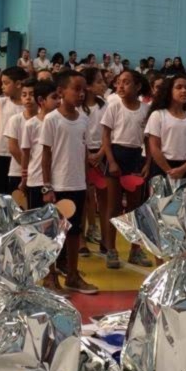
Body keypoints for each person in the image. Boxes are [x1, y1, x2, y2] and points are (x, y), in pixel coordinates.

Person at [40, 70, 97, 295]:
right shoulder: (52, 119)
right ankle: (50, 276)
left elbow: (84, 152)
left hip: (78, 185)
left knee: (74, 232)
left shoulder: (84, 119)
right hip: (58, 185)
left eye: (84, 89)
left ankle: (72, 275)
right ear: (61, 91)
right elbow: (46, 155)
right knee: (55, 233)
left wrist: (87, 182)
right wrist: (47, 186)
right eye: (76, 89)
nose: (81, 94)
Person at [100, 69, 151, 269]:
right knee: (113, 207)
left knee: (134, 207)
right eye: (119, 82)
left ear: (138, 86)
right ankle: (111, 249)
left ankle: (135, 250)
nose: (120, 86)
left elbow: (148, 139)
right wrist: (111, 161)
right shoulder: (113, 106)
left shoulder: (146, 110)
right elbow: (106, 136)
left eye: (126, 82)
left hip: (136, 157)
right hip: (116, 155)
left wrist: (147, 163)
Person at [80, 67, 107, 256]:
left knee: (104, 200)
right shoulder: (78, 107)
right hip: (82, 154)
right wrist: (87, 154)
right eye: (99, 81)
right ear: (88, 86)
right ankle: (81, 239)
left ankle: (105, 239)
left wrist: (101, 153)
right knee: (84, 199)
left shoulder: (105, 106)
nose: (103, 84)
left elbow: (109, 132)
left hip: (102, 154)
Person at [0, 67, 26, 193]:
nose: (2, 86)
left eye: (6, 83)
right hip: (0, 153)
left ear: (18, 84)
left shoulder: (29, 105)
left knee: (15, 192)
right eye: (2, 82)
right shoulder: (1, 102)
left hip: (20, 154)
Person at [20, 79, 58, 212]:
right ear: (41, 100)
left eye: (59, 97)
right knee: (36, 219)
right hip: (36, 179)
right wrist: (24, 180)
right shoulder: (31, 124)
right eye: (54, 97)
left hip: (56, 180)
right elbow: (26, 154)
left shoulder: (59, 122)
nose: (58, 101)